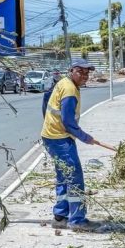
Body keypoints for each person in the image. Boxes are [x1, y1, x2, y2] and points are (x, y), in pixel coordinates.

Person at [41, 59, 101, 232]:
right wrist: (85, 137)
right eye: (80, 72)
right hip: (60, 139)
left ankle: (60, 216)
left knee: (64, 175)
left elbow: (47, 102)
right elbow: (68, 121)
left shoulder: (63, 83)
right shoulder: (69, 90)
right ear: (71, 71)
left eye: (87, 73)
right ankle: (77, 220)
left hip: (52, 137)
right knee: (75, 178)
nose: (84, 76)